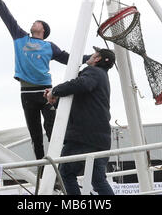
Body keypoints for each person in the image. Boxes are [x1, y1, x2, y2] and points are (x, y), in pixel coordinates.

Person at [0, 0, 90, 160]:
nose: (33, 23)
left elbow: (69, 59)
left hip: (46, 92)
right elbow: (8, 19)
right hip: (26, 93)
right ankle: (42, 169)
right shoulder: (20, 37)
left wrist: (89, 58)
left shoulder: (49, 46)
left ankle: (59, 164)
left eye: (37, 22)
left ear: (43, 30)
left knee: (52, 131)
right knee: (35, 136)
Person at [44, 47, 115, 195]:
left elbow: (81, 84)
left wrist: (54, 91)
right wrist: (56, 102)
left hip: (82, 137)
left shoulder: (93, 72)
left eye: (94, 54)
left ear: (97, 59)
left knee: (66, 174)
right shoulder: (102, 77)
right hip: (100, 138)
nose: (90, 55)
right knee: (98, 179)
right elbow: (82, 104)